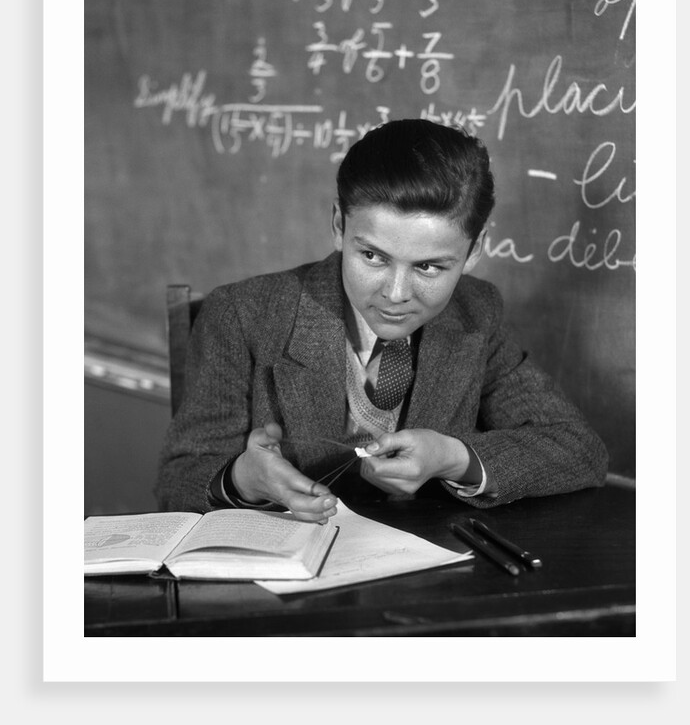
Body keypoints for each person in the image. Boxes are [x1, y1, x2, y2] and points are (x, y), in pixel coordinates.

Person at [155, 118, 608, 522]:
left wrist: (455, 458)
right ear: (338, 226)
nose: (395, 294)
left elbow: (580, 450)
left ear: (475, 250)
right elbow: (178, 482)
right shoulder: (242, 315)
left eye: (429, 267)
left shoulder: (477, 314)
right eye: (373, 256)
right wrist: (241, 480)